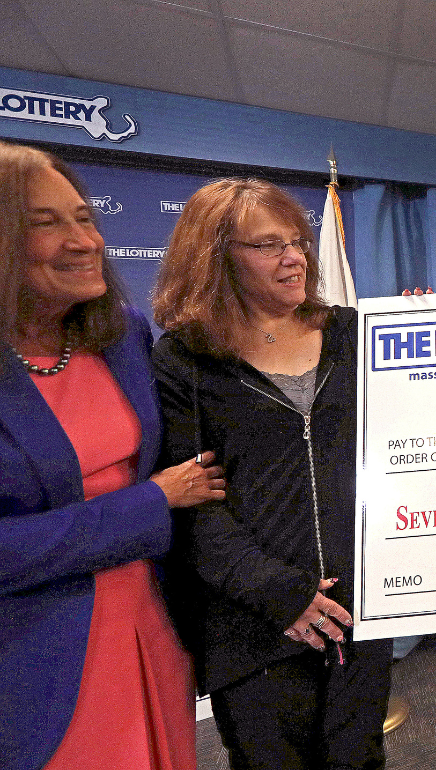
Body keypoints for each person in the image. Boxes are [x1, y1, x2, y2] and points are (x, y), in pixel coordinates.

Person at [151, 178, 393, 770]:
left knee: (359, 759)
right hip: (253, 623)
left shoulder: (352, 334)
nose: (295, 258)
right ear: (217, 259)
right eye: (267, 245)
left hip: (360, 609)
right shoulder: (184, 360)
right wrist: (278, 593)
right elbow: (192, 502)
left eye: (298, 242)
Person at [0, 140, 225, 770]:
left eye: (83, 218)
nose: (84, 240)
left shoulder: (123, 333)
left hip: (153, 626)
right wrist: (151, 503)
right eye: (45, 223)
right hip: (36, 660)